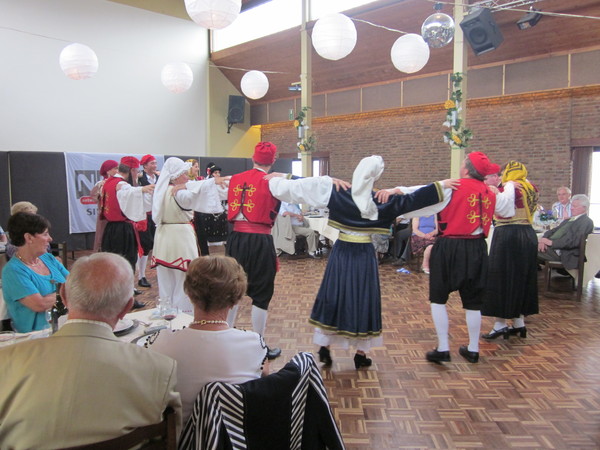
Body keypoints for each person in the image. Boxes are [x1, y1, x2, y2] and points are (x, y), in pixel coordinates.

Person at [270, 155, 457, 369]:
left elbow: (307, 186)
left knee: (334, 295)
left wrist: (286, 176)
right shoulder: (383, 200)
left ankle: (325, 347)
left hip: (341, 252)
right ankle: (360, 354)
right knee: (363, 297)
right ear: (376, 176)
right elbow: (417, 197)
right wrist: (441, 185)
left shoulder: (337, 190)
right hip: (364, 256)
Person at [0, 252, 182, 448]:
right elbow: (173, 437)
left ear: (64, 297)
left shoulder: (7, 361)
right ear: (127, 307)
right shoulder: (159, 369)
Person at [148, 255, 268, 424]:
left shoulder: (160, 344)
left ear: (189, 294)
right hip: (237, 434)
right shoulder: (255, 344)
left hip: (181, 436)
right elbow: (263, 386)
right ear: (235, 299)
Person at [424, 151, 513, 365]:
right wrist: (506, 187)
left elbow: (422, 203)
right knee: (473, 302)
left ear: (465, 169)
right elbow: (508, 211)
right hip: (477, 248)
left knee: (438, 298)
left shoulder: (452, 187)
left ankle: (443, 348)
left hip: (449, 246)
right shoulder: (490, 191)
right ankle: (473, 349)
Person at [151, 158, 226, 313]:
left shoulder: (161, 192)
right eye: (184, 174)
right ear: (176, 176)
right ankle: (182, 316)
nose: (187, 177)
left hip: (162, 238)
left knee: (165, 282)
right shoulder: (179, 193)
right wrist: (212, 182)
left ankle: (166, 312)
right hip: (180, 239)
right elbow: (197, 194)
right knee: (184, 280)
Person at [482, 161, 539, 340]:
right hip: (528, 234)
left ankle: (499, 324)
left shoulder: (507, 189)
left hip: (508, 235)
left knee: (501, 278)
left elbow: (501, 211)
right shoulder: (531, 187)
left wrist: (496, 191)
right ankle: (519, 323)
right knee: (522, 278)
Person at [99, 156, 154, 308]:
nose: (137, 174)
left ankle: (115, 297)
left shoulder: (107, 182)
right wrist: (142, 189)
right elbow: (128, 192)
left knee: (114, 262)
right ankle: (126, 299)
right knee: (127, 262)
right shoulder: (121, 184)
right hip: (122, 229)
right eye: (136, 171)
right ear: (131, 171)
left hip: (110, 228)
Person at [1, 213, 69, 333]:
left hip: (65, 326)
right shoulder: (13, 271)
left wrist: (56, 295)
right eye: (45, 234)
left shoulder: (48, 258)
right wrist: (67, 292)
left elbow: (76, 284)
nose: (50, 239)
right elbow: (39, 305)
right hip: (36, 336)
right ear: (29, 238)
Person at [538, 194, 594, 269]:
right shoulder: (569, 220)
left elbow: (575, 241)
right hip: (553, 249)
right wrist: (543, 240)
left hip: (565, 254)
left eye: (575, 206)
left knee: (528, 248)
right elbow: (552, 231)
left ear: (584, 208)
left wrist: (551, 243)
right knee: (528, 247)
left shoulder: (586, 222)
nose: (571, 208)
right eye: (572, 206)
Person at [137, 154, 159, 288]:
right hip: (144, 215)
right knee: (144, 245)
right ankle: (141, 275)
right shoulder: (139, 178)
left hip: (156, 215)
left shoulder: (158, 177)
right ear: (145, 165)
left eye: (155, 163)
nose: (155, 166)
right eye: (152, 163)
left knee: (154, 244)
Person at [91, 159, 119, 252]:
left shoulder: (120, 182)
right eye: (115, 168)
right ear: (108, 171)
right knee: (102, 237)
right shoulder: (100, 184)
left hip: (117, 216)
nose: (117, 171)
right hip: (105, 216)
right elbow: (94, 197)